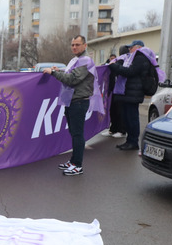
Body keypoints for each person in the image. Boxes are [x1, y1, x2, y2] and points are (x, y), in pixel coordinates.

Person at [42, 35, 103, 176]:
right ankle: (73, 161)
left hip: (79, 102)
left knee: (77, 134)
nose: (74, 47)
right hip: (72, 101)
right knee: (74, 133)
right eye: (72, 44)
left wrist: (54, 73)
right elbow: (70, 74)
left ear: (85, 45)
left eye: (77, 44)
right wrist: (60, 70)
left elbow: (72, 79)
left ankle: (77, 165)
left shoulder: (85, 61)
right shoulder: (76, 60)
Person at [109, 39, 156, 152]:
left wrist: (114, 67)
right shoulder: (133, 57)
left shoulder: (141, 57)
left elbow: (130, 72)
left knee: (132, 118)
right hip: (129, 91)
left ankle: (133, 142)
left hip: (133, 92)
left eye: (131, 47)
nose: (129, 49)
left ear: (139, 47)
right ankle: (129, 141)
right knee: (127, 118)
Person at [101, 50, 128, 138]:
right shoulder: (109, 66)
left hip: (121, 91)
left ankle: (122, 130)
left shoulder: (123, 64)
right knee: (112, 111)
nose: (113, 60)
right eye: (111, 59)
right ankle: (113, 129)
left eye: (114, 59)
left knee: (120, 111)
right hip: (113, 91)